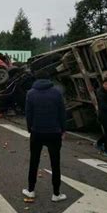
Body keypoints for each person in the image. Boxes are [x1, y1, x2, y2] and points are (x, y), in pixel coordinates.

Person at [23, 70, 67, 202]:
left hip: (37, 132)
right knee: (55, 163)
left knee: (34, 161)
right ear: (49, 79)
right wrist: (63, 130)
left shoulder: (31, 93)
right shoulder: (57, 93)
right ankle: (56, 194)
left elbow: (28, 114)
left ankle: (31, 190)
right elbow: (62, 113)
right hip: (54, 132)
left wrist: (30, 128)